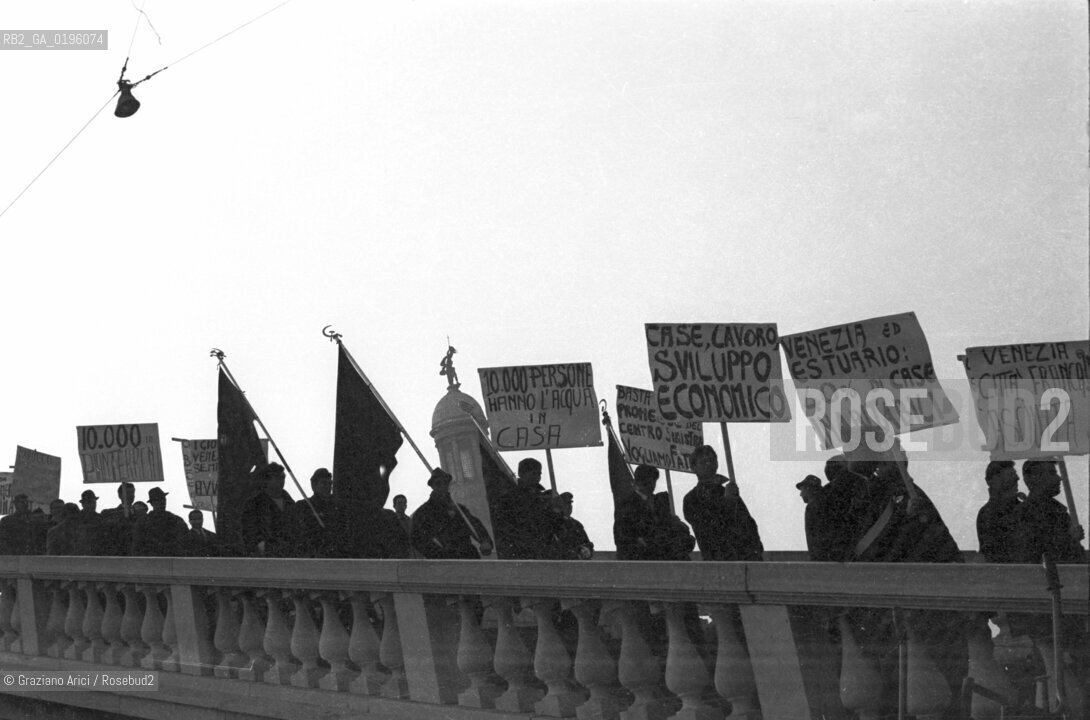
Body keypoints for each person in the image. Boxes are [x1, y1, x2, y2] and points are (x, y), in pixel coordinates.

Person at [682, 446, 763, 561]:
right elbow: (709, 527)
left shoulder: (726, 491)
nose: (708, 464)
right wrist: (727, 502)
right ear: (694, 467)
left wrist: (756, 550)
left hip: (745, 559)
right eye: (703, 461)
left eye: (712, 460)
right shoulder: (692, 499)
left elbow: (748, 523)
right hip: (718, 562)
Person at [615, 464, 694, 561]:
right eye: (647, 480)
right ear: (638, 481)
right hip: (642, 557)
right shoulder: (627, 504)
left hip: (662, 551)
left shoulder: (659, 502)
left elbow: (675, 524)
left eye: (652, 481)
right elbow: (623, 536)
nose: (651, 484)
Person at [410, 469, 493, 559]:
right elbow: (417, 538)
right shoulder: (423, 512)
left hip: (467, 559)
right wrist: (438, 554)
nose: (443, 486)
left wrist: (485, 541)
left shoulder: (460, 510)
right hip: (443, 563)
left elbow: (474, 525)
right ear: (432, 486)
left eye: (446, 483)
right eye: (438, 483)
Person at [490, 458, 564, 559]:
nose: (537, 478)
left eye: (539, 474)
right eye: (533, 473)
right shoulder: (509, 497)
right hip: (520, 552)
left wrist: (557, 510)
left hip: (542, 552)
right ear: (521, 473)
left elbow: (554, 526)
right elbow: (504, 526)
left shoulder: (544, 498)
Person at [240, 463, 295, 557]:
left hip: (289, 553)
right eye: (277, 478)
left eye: (283, 478)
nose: (281, 481)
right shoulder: (254, 504)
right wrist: (261, 546)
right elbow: (249, 531)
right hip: (265, 555)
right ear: (266, 480)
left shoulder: (290, 503)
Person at [976, 460, 1023, 563]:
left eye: (1014, 474)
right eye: (1010, 475)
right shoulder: (988, 513)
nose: (1017, 478)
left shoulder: (986, 512)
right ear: (993, 480)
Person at [286, 468, 339, 557]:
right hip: (310, 555)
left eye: (330, 484)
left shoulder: (337, 507)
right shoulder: (302, 506)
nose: (328, 487)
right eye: (324, 483)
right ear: (313, 485)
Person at [131, 487, 188, 556]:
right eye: (157, 500)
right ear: (152, 503)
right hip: (151, 561)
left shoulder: (176, 520)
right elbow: (137, 546)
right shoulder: (142, 523)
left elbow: (185, 543)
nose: (161, 502)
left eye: (163, 499)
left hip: (172, 561)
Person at [99, 483, 137, 556]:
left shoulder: (140, 514)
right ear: (120, 495)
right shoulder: (110, 514)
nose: (131, 495)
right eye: (127, 493)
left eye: (132, 493)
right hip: (118, 554)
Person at [554, 492, 594, 560]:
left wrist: (587, 550)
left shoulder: (577, 525)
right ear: (560, 506)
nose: (569, 506)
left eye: (570, 504)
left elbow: (587, 543)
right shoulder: (555, 524)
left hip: (580, 563)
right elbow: (559, 547)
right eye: (566, 504)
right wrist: (576, 552)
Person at [795, 475, 823, 559]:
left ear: (808, 489)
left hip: (820, 557)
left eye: (802, 490)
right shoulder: (823, 504)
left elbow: (813, 537)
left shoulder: (812, 507)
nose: (800, 494)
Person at [75, 489, 108, 555]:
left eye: (94, 502)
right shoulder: (76, 518)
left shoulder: (100, 518)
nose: (93, 505)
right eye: (89, 502)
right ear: (83, 504)